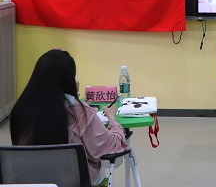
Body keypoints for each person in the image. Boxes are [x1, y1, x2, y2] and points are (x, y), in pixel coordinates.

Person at [10, 49, 129, 186]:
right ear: (69, 78)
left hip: (28, 182)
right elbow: (109, 146)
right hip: (72, 182)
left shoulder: (20, 109)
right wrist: (112, 118)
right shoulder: (79, 112)